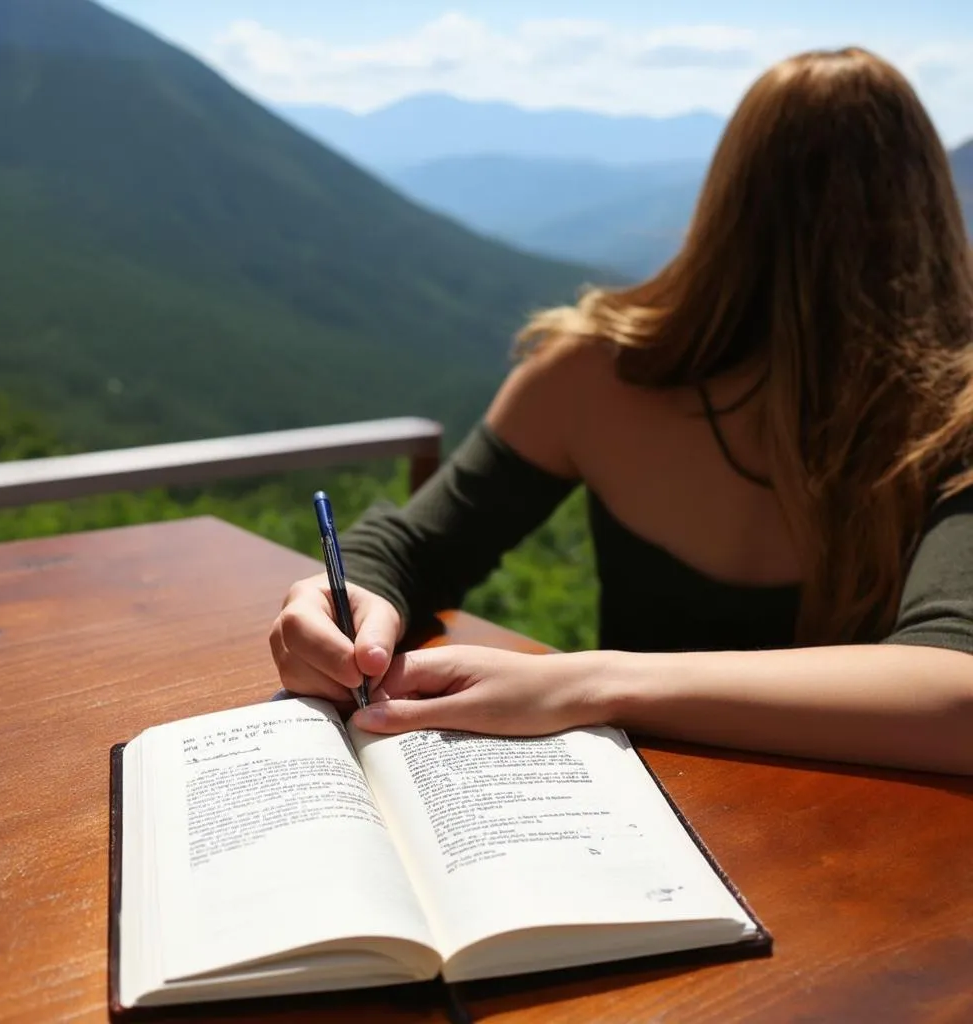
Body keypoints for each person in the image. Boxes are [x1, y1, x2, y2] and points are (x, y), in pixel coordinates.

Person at [270, 47, 973, 776]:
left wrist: (587, 683)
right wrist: (343, 593)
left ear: (730, 197)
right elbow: (415, 550)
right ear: (926, 208)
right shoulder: (952, 412)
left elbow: (959, 688)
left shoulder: (594, 378)